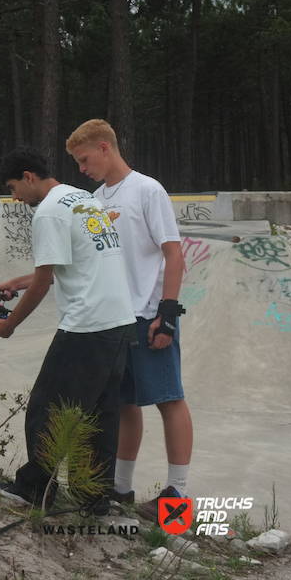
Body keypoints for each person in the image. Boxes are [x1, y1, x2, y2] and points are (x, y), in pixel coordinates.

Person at [0, 146, 135, 510]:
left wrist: (9, 325)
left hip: (86, 324)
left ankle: (34, 490)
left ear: (28, 177)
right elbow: (63, 268)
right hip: (118, 321)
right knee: (100, 414)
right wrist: (17, 283)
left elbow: (43, 282)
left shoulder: (49, 212)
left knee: (47, 406)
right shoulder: (81, 198)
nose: (14, 198)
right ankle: (93, 498)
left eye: (13, 188)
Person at [66, 119, 190, 519]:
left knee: (169, 398)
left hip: (149, 314)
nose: (82, 169)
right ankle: (120, 488)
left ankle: (178, 493)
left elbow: (173, 253)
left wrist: (167, 314)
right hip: (115, 316)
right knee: (123, 403)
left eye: (84, 160)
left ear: (105, 148)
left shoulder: (147, 190)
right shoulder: (96, 198)